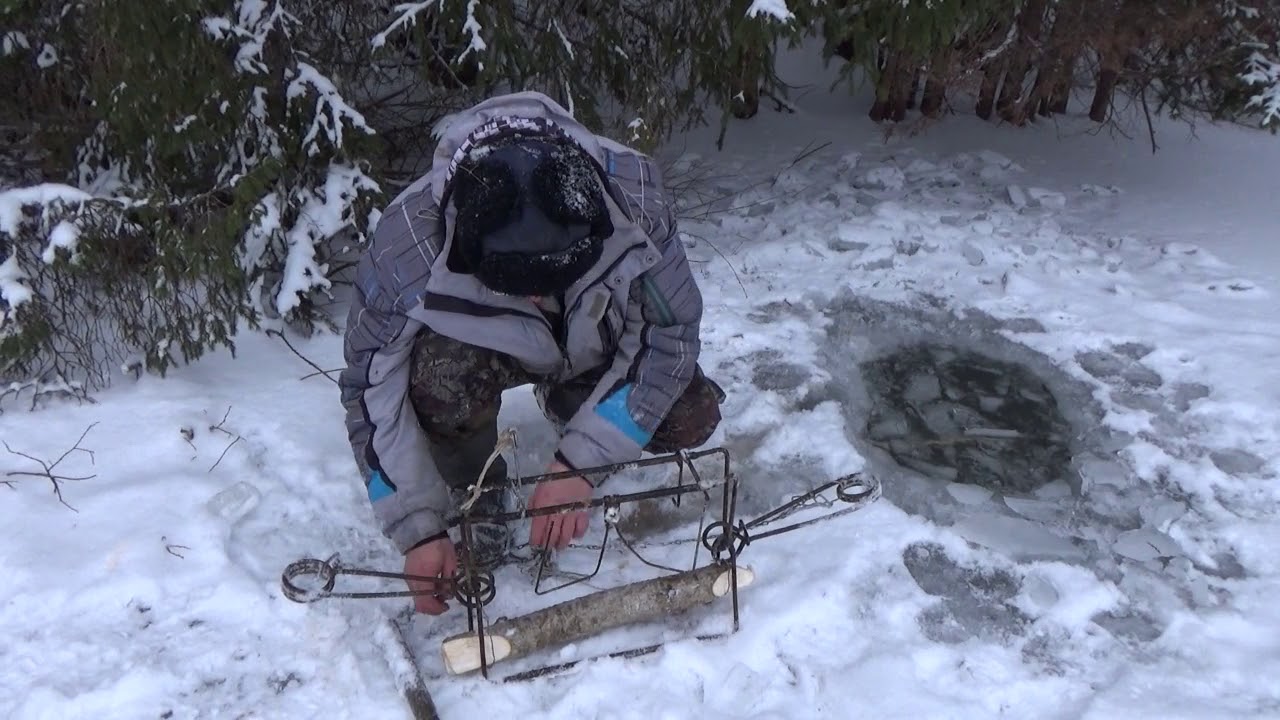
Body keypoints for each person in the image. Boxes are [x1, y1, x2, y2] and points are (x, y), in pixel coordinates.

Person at [339, 91, 725, 615]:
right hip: (484, 351)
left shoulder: (633, 198)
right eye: (523, 288)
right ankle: (475, 488)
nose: (539, 297)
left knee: (690, 413)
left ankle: (573, 403)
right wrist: (417, 530)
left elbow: (670, 332)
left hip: (590, 339)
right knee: (434, 380)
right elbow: (370, 389)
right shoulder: (406, 245)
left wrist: (579, 464)